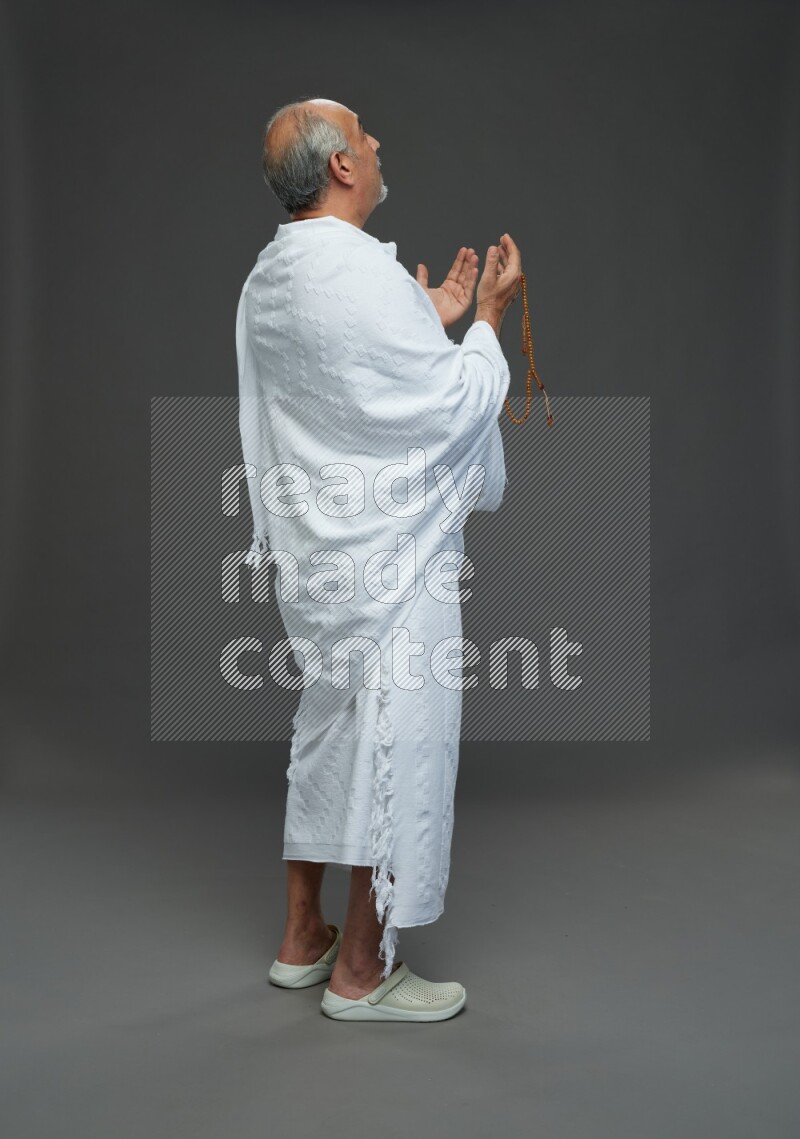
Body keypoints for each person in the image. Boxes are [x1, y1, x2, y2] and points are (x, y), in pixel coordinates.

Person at [236, 96, 521, 1022]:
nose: (378, 143)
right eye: (365, 137)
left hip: (322, 563)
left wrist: (424, 314)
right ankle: (362, 971)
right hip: (393, 562)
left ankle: (299, 938)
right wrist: (482, 322)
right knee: (401, 734)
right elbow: (439, 409)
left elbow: (345, 395)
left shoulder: (271, 277)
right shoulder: (360, 277)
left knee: (328, 729)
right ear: (343, 168)